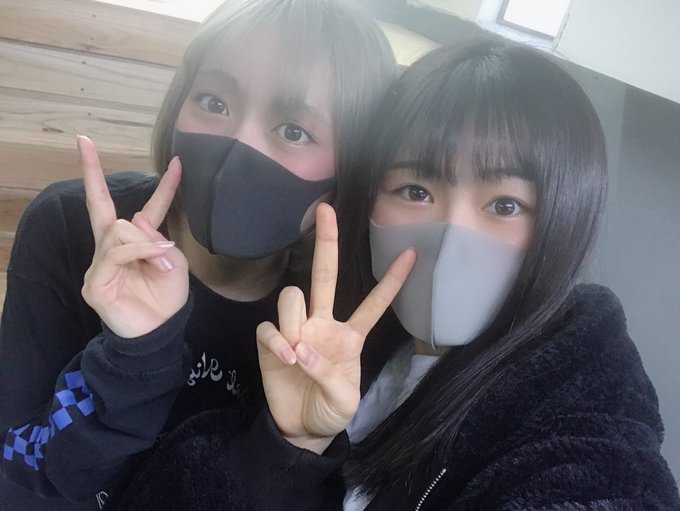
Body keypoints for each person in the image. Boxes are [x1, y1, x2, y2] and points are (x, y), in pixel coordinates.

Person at [111, 40, 680, 510]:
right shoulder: (334, 338)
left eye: (505, 205)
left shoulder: (586, 407)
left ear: (566, 217)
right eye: (415, 191)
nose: (451, 235)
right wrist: (287, 449)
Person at [0, 1, 398, 509]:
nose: (237, 144)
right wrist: (132, 358)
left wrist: (295, 446)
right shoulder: (70, 225)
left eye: (294, 131)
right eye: (213, 101)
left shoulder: (337, 317)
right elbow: (20, 468)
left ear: (351, 169)